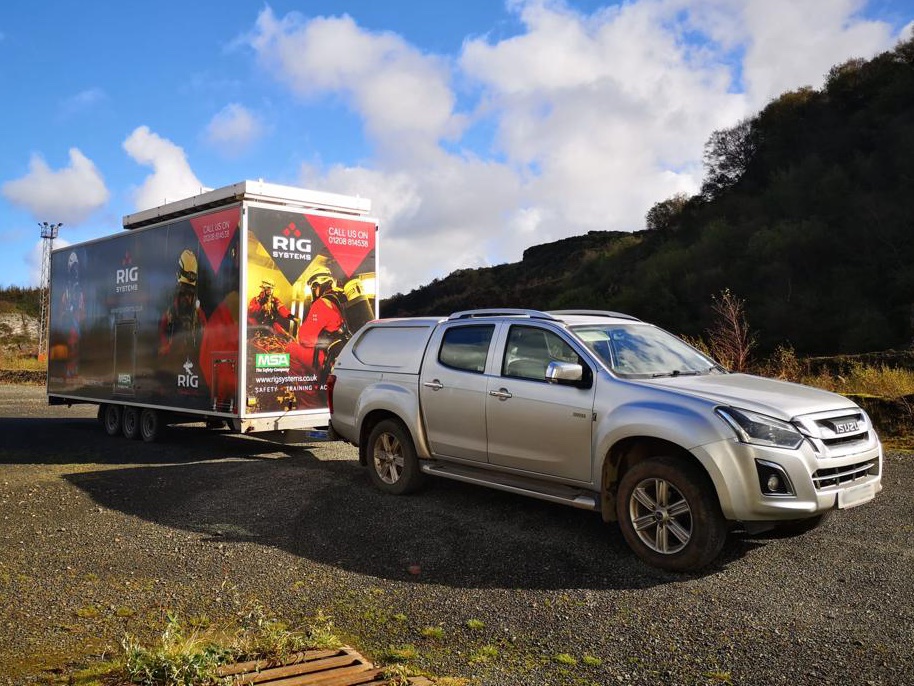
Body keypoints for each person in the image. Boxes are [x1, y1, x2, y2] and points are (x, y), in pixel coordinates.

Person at [298, 268, 351, 384]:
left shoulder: (321, 303)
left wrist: (301, 329)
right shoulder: (339, 297)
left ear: (318, 285)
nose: (314, 292)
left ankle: (307, 397)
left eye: (313, 288)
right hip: (347, 350)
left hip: (332, 355)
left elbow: (305, 339)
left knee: (291, 350)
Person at [159, 249, 207, 365]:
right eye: (184, 293)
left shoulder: (197, 313)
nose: (187, 298)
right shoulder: (170, 311)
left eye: (189, 294)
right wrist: (166, 346)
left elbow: (206, 332)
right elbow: (162, 330)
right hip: (174, 361)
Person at [60, 251, 86, 377]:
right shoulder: (67, 289)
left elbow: (81, 307)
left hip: (75, 322)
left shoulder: (79, 288)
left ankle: (74, 369)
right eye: (73, 266)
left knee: (75, 345)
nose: (75, 270)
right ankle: (70, 370)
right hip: (70, 322)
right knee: (71, 345)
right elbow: (63, 305)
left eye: (76, 267)